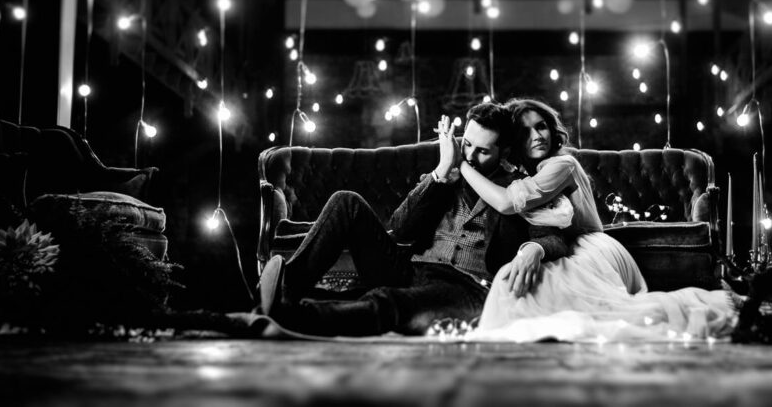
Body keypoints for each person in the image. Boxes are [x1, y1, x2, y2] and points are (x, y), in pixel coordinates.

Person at [253, 101, 570, 337]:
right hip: (410, 269)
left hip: (466, 285)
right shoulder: (447, 173)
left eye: (483, 151)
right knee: (345, 202)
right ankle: (286, 291)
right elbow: (400, 228)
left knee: (387, 302)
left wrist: (536, 249)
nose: (470, 156)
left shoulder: (519, 188)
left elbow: (553, 237)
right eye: (466, 144)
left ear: (504, 151)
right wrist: (440, 173)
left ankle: (292, 319)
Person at [458, 97, 737, 342]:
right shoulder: (525, 172)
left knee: (590, 309)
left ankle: (716, 309)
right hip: (567, 248)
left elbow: (507, 202)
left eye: (541, 126)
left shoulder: (562, 165)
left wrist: (461, 165)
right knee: (520, 286)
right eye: (525, 131)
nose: (537, 135)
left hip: (592, 247)